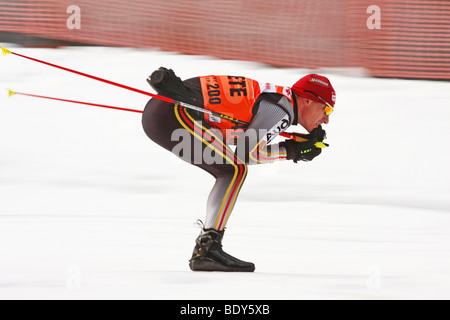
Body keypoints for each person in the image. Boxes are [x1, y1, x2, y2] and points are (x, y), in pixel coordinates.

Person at [142, 68, 336, 272]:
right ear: (307, 100)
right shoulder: (282, 109)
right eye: (327, 110)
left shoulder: (278, 100)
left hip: (163, 111)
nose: (326, 120)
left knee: (232, 169)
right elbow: (247, 153)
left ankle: (208, 247)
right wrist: (291, 151)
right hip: (173, 112)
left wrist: (292, 148)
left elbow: (244, 145)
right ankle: (208, 249)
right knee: (234, 171)